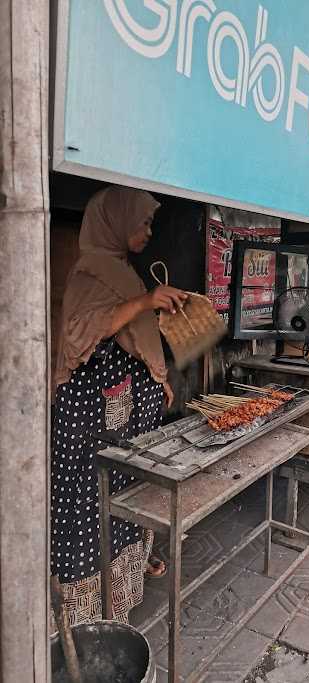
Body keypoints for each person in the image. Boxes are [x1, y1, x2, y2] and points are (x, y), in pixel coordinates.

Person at [51, 185, 187, 626]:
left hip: (125, 420)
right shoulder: (90, 274)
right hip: (90, 424)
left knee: (129, 495)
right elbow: (82, 331)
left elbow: (139, 335)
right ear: (116, 221)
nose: (148, 231)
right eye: (142, 222)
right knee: (89, 505)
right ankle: (84, 616)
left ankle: (126, 580)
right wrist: (146, 300)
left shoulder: (125, 271)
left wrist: (159, 378)